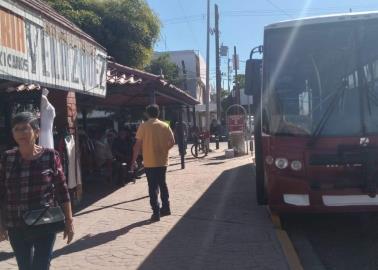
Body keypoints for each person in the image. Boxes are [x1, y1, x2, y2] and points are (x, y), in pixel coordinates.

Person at [0, 112, 74, 270]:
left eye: (25, 128)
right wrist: (1, 223)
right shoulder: (7, 158)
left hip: (44, 222)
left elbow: (62, 190)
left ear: (37, 132)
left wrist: (69, 220)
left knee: (41, 265)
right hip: (16, 224)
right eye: (16, 129)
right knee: (24, 266)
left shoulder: (50, 156)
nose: (21, 133)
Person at [131, 104, 175, 222]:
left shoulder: (143, 126)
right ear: (158, 113)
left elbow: (137, 145)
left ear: (147, 114)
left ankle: (156, 213)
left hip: (150, 162)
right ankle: (166, 208)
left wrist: (133, 161)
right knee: (163, 184)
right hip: (162, 161)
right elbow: (172, 141)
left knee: (152, 187)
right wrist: (165, 150)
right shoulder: (165, 125)